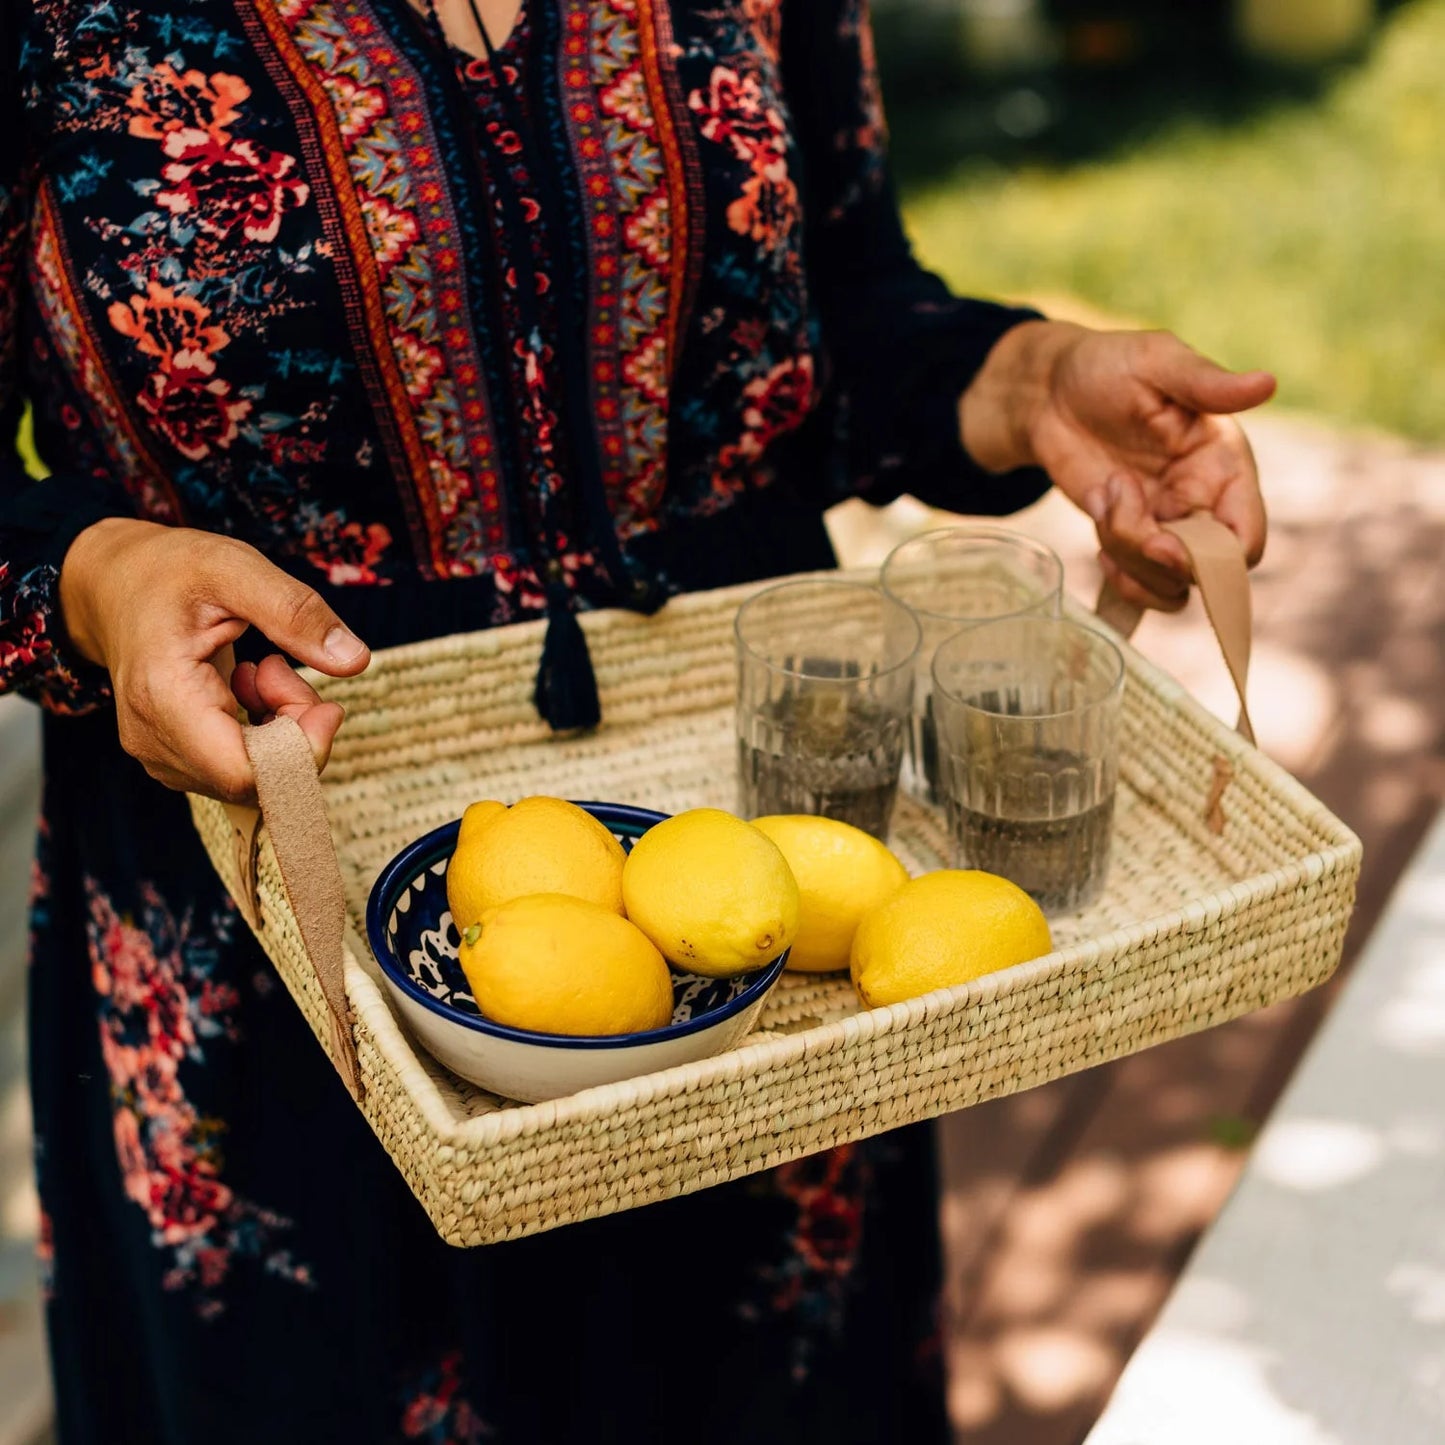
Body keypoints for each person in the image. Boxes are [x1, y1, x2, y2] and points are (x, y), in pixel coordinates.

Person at [1, 0, 1274, 1440]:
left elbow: (837, 308)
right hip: (286, 920)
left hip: (748, 901)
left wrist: (1023, 378)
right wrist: (95, 585)